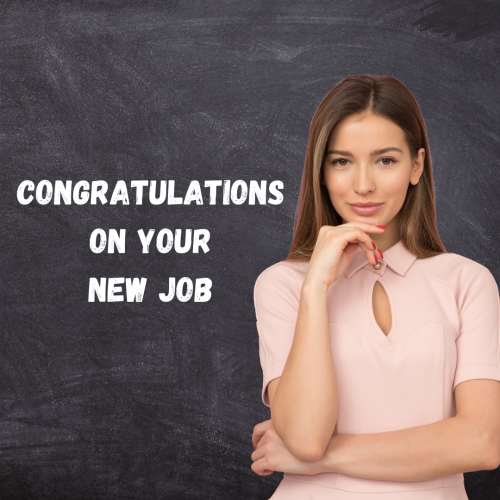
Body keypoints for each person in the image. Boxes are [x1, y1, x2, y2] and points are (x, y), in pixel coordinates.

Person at [250, 74, 500, 499]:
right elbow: (307, 437)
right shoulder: (284, 285)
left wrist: (325, 459)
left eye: (385, 160)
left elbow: (481, 443)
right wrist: (316, 288)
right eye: (342, 161)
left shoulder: (466, 281)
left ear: (416, 166)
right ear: (322, 172)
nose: (363, 184)